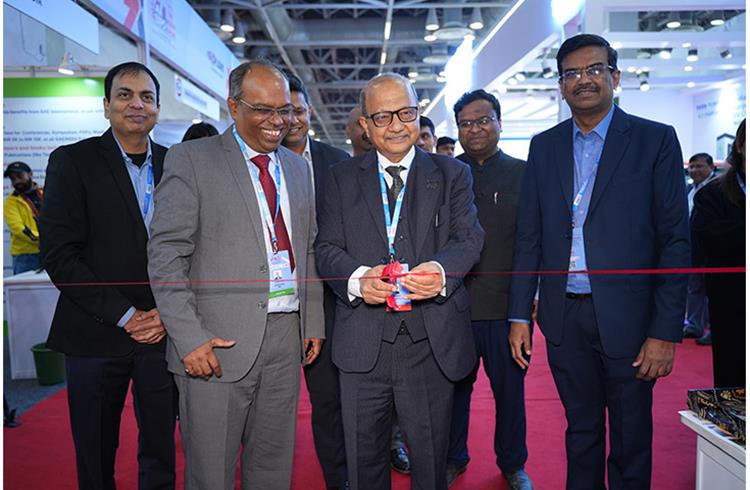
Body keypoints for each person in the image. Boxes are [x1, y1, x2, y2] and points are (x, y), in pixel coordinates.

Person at [508, 34, 690, 490]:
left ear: (615, 77)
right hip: (564, 317)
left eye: (594, 70)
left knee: (631, 438)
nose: (583, 80)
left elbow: (674, 241)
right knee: (580, 432)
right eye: (571, 73)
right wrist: (518, 314)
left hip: (630, 321)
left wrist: (665, 332)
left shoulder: (655, 141)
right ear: (561, 85)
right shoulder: (544, 146)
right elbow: (529, 236)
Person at [147, 59, 324, 490]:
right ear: (233, 106)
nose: (277, 121)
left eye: (284, 109)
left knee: (272, 465)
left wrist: (313, 321)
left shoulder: (298, 168)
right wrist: (188, 337)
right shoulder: (192, 159)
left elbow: (309, 247)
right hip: (215, 343)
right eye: (262, 109)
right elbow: (166, 253)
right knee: (211, 472)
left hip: (286, 338)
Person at [315, 72, 484, 490]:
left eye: (406, 113)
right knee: (363, 461)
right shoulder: (339, 177)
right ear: (366, 126)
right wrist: (357, 279)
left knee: (429, 463)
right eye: (383, 116)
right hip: (361, 345)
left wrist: (441, 272)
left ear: (418, 114)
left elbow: (469, 238)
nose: (396, 125)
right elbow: (326, 248)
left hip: (430, 341)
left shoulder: (451, 174)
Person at [39, 61, 176, 490]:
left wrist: (165, 314)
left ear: (157, 108)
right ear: (106, 106)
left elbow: (193, 251)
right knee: (95, 451)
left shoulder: (177, 165)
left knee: (161, 447)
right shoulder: (72, 162)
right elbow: (60, 255)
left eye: (147, 97)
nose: (136, 104)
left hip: (163, 332)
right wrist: (126, 315)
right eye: (124, 95)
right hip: (95, 333)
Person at [446, 90, 532, 490]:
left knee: (510, 395)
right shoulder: (445, 175)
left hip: (505, 311)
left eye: (483, 120)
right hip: (455, 308)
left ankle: (513, 463)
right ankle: (452, 457)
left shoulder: (523, 174)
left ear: (500, 123)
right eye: (465, 123)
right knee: (453, 394)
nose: (474, 129)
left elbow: (533, 244)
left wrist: (524, 309)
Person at [282, 72, 350, 490]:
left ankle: (339, 479)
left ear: (310, 112)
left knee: (329, 403)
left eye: (298, 109)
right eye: (281, 110)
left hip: (327, 302)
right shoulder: (252, 164)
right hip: (265, 302)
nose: (291, 118)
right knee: (271, 407)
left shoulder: (337, 163)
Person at [692, 119, 745, 388]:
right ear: (740, 146)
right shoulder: (712, 194)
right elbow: (709, 238)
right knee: (733, 379)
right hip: (732, 302)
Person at [683, 153, 716, 343]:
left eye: (700, 166)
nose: (695, 170)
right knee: (694, 289)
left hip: (711, 250)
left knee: (712, 291)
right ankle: (694, 326)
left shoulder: (718, 188)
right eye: (692, 166)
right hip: (692, 249)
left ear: (711, 168)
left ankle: (713, 329)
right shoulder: (688, 189)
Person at [4, 161, 43, 274]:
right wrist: (43, 240)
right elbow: (18, 228)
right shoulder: (10, 202)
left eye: (20, 176)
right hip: (26, 256)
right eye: (12, 179)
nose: (16, 181)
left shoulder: (46, 193)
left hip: (51, 252)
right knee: (24, 291)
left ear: (30, 174)